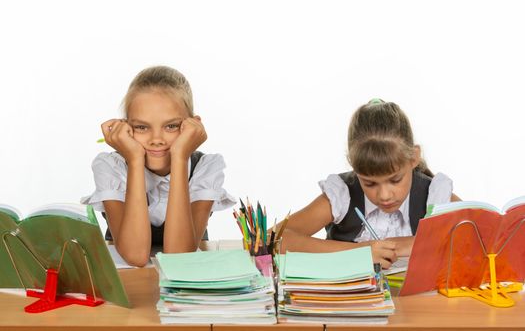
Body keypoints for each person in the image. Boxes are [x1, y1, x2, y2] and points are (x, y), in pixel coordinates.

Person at [81, 66, 235, 266]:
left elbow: (178, 257)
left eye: (171, 126)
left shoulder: (205, 168)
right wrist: (135, 159)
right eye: (141, 127)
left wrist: (180, 157)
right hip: (130, 284)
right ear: (126, 128)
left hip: (185, 287)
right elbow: (136, 256)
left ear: (192, 126)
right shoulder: (111, 166)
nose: (156, 140)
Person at [279, 99, 460, 268]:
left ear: (413, 158)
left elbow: (485, 240)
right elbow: (274, 240)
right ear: (354, 167)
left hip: (418, 302)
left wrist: (409, 244)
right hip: (351, 301)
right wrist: (360, 252)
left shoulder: (435, 196)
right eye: (370, 183)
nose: (384, 195)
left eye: (395, 180)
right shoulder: (343, 195)